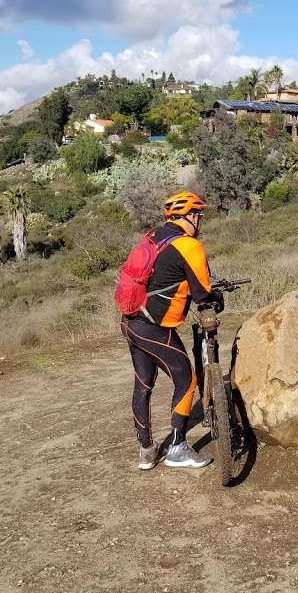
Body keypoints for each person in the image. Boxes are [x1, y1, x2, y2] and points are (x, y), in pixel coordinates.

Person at [120, 190, 223, 471]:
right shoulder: (189, 246)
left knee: (143, 385)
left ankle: (146, 451)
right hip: (154, 327)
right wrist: (217, 299)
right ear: (189, 216)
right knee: (187, 379)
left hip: (131, 321)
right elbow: (203, 294)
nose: (200, 220)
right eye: (198, 215)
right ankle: (177, 448)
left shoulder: (154, 236)